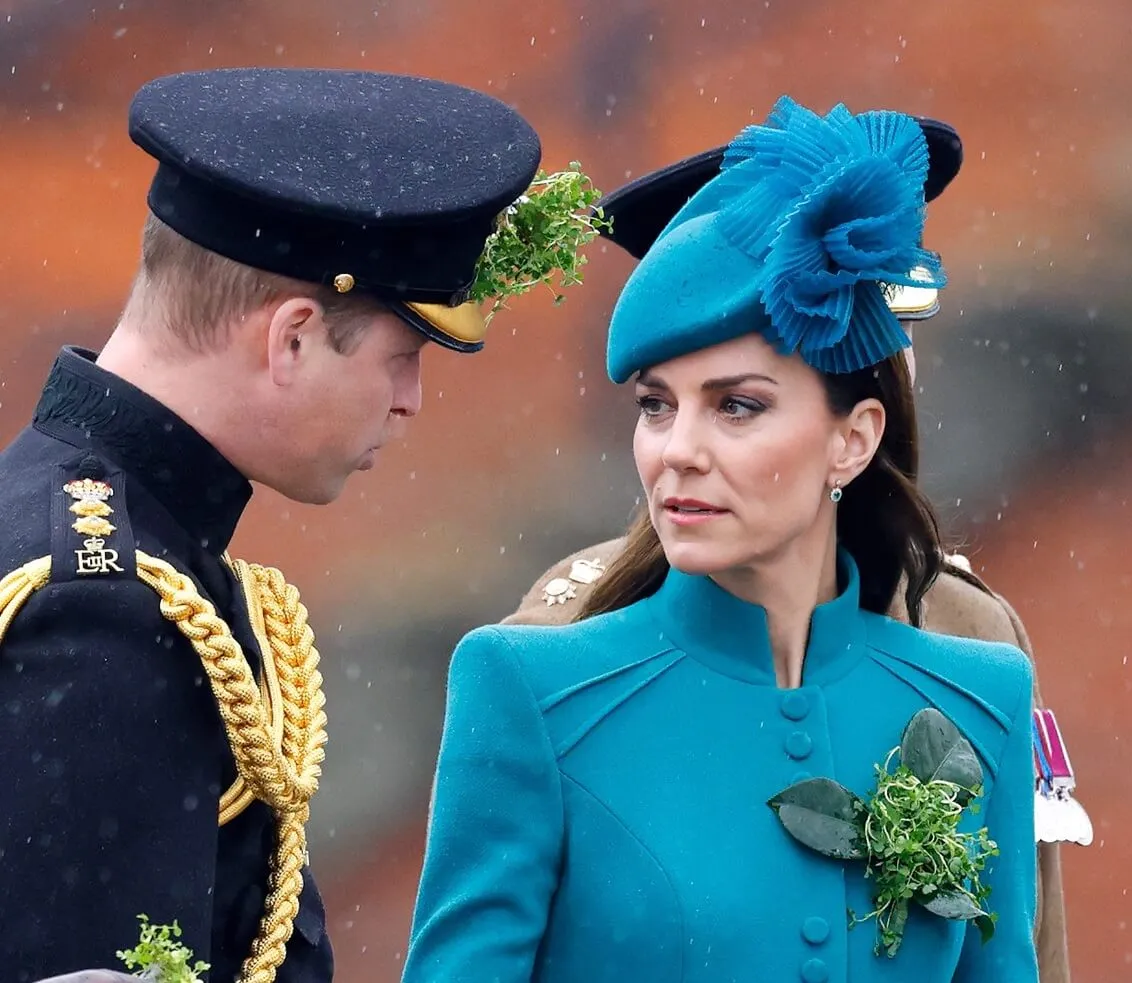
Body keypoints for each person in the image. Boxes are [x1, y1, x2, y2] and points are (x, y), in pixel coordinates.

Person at [403, 99, 1040, 981]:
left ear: (853, 438)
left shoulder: (983, 692)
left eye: (737, 405)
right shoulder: (530, 688)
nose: (677, 451)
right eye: (655, 405)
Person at [2, 66, 545, 983]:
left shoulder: (105, 538)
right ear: (290, 337)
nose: (410, 402)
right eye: (402, 355)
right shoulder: (101, 607)